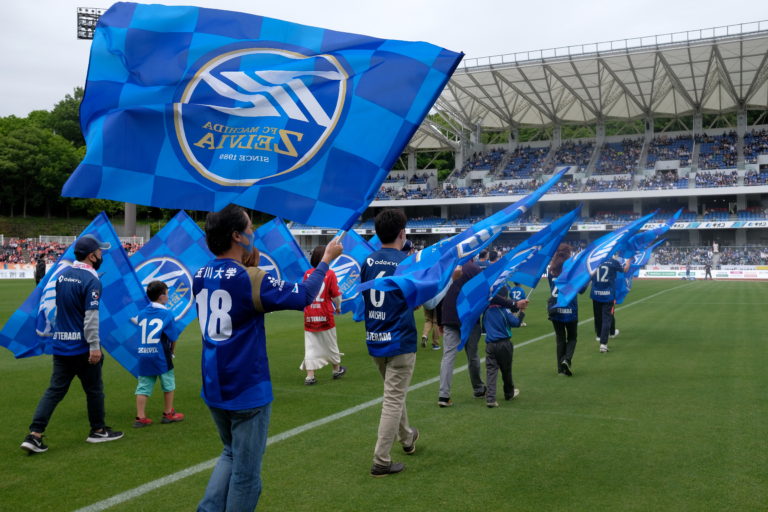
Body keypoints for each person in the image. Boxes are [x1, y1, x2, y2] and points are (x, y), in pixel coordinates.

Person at [194, 204, 342, 511]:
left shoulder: (199, 274)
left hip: (213, 381)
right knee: (247, 476)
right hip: (246, 385)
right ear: (236, 236)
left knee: (230, 453)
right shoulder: (249, 278)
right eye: (249, 228)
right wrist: (326, 260)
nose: (254, 232)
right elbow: (304, 295)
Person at [21, 234, 124, 454]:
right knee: (94, 390)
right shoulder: (92, 280)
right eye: (100, 251)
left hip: (61, 344)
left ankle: (34, 434)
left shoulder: (62, 275)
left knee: (54, 391)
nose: (102, 254)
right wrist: (94, 346)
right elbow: (91, 317)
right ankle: (98, 430)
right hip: (82, 347)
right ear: (91, 256)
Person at [360, 209, 420, 477]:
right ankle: (381, 460)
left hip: (375, 337)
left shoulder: (368, 261)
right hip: (399, 339)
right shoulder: (407, 262)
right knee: (393, 399)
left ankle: (407, 438)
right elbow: (417, 301)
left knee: (394, 393)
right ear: (402, 233)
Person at [438, 262, 527, 407]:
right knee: (472, 355)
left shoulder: (451, 266)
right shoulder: (474, 269)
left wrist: (440, 320)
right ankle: (478, 389)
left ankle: (443, 395)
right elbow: (489, 293)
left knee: (448, 356)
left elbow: (441, 293)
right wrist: (513, 304)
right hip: (468, 317)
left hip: (449, 315)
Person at [132, 280, 185, 428]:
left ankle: (140, 417)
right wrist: (172, 352)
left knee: (143, 386)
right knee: (168, 384)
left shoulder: (141, 313)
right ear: (162, 296)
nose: (168, 296)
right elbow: (173, 337)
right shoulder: (167, 313)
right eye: (167, 293)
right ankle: (168, 413)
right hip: (161, 354)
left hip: (144, 354)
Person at [300, 245, 346, 385]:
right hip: (325, 314)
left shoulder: (307, 273)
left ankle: (310, 376)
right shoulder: (330, 273)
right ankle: (336, 369)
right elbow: (336, 295)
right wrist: (338, 307)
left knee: (311, 346)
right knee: (330, 343)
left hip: (310, 315)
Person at [482, 291, 523, 408]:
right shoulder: (504, 310)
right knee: (506, 370)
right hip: (504, 344)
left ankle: (490, 398)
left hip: (490, 344)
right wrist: (522, 312)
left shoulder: (486, 311)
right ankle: (509, 393)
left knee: (491, 371)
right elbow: (516, 323)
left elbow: (484, 327)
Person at [547, 244, 580, 375]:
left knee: (560, 338)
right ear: (569, 254)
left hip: (555, 308)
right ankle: (566, 359)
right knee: (572, 337)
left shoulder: (551, 270)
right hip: (569, 307)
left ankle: (560, 369)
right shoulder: (571, 270)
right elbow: (581, 289)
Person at [591, 255, 630, 353]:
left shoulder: (595, 261)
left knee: (598, 316)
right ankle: (603, 344)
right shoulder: (613, 262)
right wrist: (629, 260)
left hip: (595, 293)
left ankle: (599, 335)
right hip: (608, 295)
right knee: (607, 318)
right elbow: (624, 270)